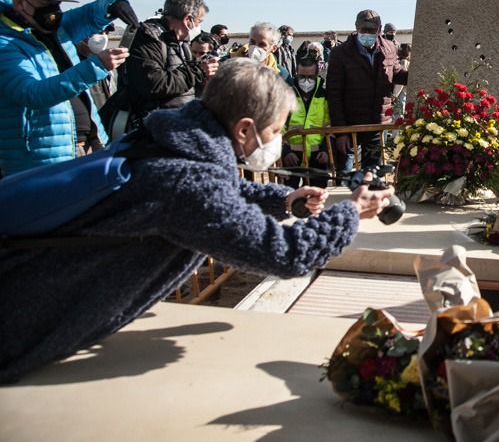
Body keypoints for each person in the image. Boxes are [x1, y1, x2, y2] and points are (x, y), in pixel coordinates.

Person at [0, 58, 394, 383]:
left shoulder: (176, 137)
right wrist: (351, 211)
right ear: (244, 129)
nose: (278, 139)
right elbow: (287, 254)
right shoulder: (187, 179)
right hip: (20, 317)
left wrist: (284, 200)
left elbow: (221, 193)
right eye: (275, 131)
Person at [0, 0, 135, 174]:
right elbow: (32, 94)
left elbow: (90, 14)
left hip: (88, 143)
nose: (53, 12)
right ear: (19, 2)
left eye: (57, 4)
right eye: (45, 5)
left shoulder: (57, 29)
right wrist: (95, 66)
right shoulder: (5, 45)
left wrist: (114, 3)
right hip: (43, 158)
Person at [120, 0, 218, 129]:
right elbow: (154, 84)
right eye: (198, 21)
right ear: (187, 19)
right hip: (152, 128)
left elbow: (184, 82)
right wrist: (198, 71)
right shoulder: (149, 39)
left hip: (178, 123)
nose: (198, 27)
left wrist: (204, 80)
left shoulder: (182, 43)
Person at [325, 9, 407, 171]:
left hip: (378, 123)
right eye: (364, 30)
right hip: (349, 125)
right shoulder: (339, 53)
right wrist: (340, 131)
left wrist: (420, 72)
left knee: (374, 175)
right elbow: (334, 93)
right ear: (356, 27)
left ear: (379, 29)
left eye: (372, 30)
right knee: (346, 176)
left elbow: (396, 72)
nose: (367, 34)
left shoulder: (389, 48)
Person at [281, 57, 331, 187]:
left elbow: (329, 125)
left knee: (317, 197)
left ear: (317, 75)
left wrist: (326, 149)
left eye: (310, 77)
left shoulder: (324, 95)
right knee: (290, 196)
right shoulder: (286, 95)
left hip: (318, 155)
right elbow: (278, 126)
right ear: (296, 74)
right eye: (302, 76)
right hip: (292, 156)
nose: (306, 81)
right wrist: (285, 150)